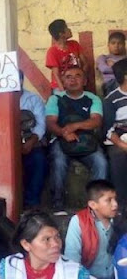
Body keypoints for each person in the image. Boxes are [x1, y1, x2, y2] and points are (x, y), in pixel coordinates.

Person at [46, 66, 107, 213]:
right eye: (68, 77)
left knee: (101, 163)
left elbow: (96, 121)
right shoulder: (56, 99)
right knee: (58, 161)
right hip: (61, 140)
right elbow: (50, 122)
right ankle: (58, 204)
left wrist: (75, 126)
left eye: (77, 76)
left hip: (87, 142)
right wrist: (63, 132)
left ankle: (96, 205)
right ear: (63, 82)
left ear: (85, 80)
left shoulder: (93, 98)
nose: (73, 79)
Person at [0, 210, 91, 278]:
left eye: (57, 236)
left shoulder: (74, 273)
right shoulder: (8, 269)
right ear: (26, 244)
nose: (55, 244)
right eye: (46, 239)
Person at [64, 180, 117, 279]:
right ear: (93, 204)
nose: (115, 204)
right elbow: (72, 259)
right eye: (109, 200)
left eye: (115, 199)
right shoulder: (78, 221)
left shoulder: (119, 220)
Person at [19, 71, 48, 208]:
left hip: (30, 140)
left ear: (21, 80)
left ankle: (32, 204)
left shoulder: (33, 99)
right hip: (4, 143)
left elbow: (41, 124)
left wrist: (31, 142)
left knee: (38, 160)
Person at [103, 58, 127, 206]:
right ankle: (122, 205)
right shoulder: (111, 99)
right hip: (118, 141)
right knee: (119, 157)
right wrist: (123, 145)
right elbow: (107, 129)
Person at [46, 19, 87, 92]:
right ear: (61, 34)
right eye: (67, 28)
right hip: (60, 85)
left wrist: (81, 78)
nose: (69, 30)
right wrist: (63, 91)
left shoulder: (74, 44)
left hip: (76, 82)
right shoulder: (52, 51)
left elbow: (85, 63)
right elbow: (56, 74)